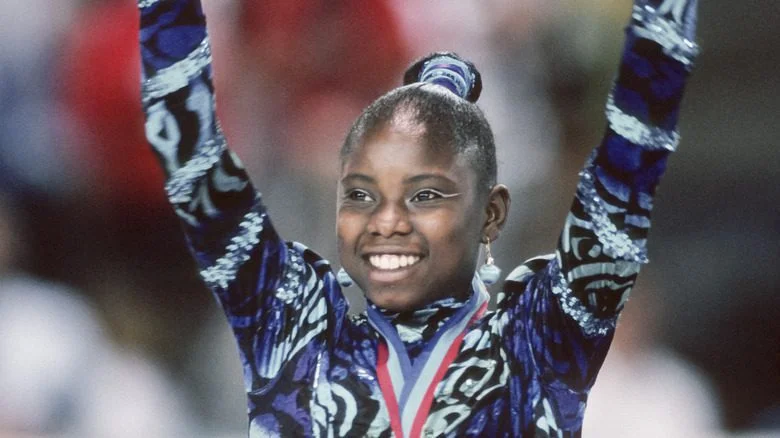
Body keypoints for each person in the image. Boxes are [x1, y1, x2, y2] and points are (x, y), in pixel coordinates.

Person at [137, 0, 698, 436]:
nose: (387, 222)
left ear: (491, 215)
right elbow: (196, 164)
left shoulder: (541, 339)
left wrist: (664, 26)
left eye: (425, 196)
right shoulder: (292, 329)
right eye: (361, 195)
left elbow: (632, 160)